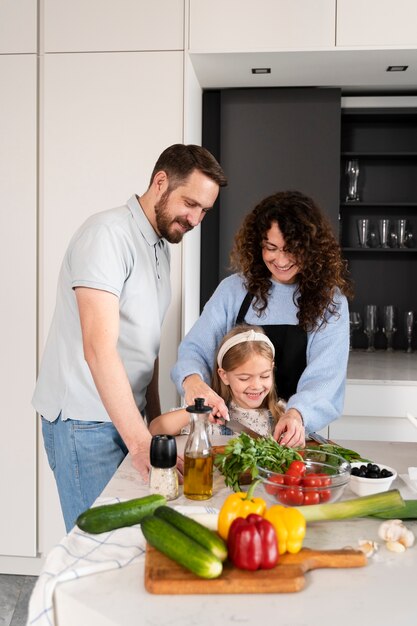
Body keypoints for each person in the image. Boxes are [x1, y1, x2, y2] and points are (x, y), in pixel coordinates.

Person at [32, 143, 227, 531]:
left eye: (204, 211)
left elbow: (144, 346)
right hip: (84, 423)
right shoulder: (106, 234)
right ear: (160, 182)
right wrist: (142, 444)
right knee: (98, 546)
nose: (195, 219)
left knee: (130, 543)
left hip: (127, 420)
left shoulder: (160, 246)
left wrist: (153, 422)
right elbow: (98, 349)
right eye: (190, 204)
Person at [171, 190, 353, 449]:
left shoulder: (330, 302)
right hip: (228, 439)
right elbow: (195, 349)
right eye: (271, 248)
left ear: (311, 249)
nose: (281, 260)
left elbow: (325, 378)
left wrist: (296, 414)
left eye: (292, 250)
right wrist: (193, 382)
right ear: (258, 245)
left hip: (291, 438)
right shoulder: (233, 290)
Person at [150, 324, 284, 438]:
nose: (256, 385)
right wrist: (199, 411)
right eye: (244, 378)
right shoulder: (211, 415)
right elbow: (155, 429)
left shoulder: (282, 413)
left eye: (265, 376)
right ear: (224, 375)